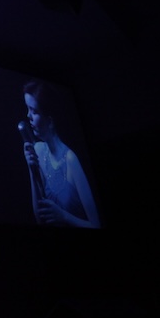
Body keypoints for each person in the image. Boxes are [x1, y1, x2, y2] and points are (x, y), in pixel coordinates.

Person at [22, 81, 101, 228]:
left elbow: (96, 226)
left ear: (50, 120)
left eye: (34, 111)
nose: (28, 116)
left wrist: (64, 216)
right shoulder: (38, 150)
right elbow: (39, 219)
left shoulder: (70, 160)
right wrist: (32, 170)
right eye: (28, 109)